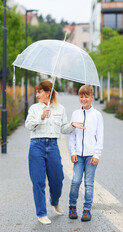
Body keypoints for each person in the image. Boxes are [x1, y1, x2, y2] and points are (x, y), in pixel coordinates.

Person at [25, 80, 85, 225]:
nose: (37, 95)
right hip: (36, 146)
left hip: (53, 146)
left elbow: (63, 128)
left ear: (48, 93)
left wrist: (72, 125)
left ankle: (55, 201)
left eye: (40, 92)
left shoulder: (60, 109)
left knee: (58, 179)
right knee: (38, 182)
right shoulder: (34, 108)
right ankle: (41, 213)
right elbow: (28, 125)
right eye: (37, 92)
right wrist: (41, 117)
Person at [68, 85, 104, 222]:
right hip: (78, 155)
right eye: (81, 96)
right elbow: (72, 135)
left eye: (86, 96)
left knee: (89, 183)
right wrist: (72, 151)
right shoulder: (75, 114)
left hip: (90, 156)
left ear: (92, 98)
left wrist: (96, 155)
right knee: (76, 181)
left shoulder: (97, 115)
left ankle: (86, 210)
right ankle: (72, 207)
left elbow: (100, 136)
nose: (84, 99)